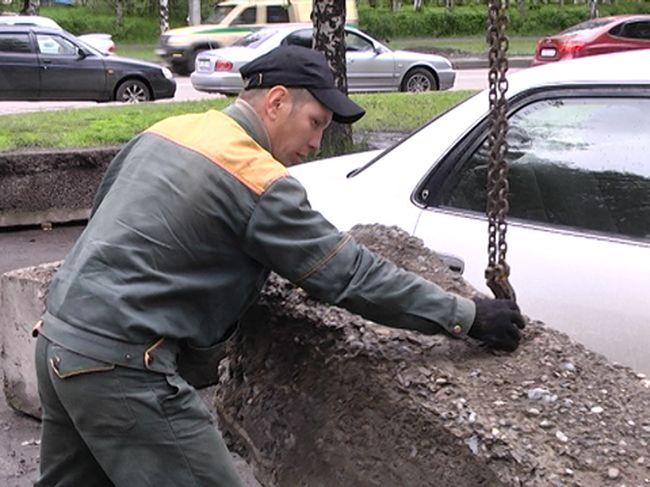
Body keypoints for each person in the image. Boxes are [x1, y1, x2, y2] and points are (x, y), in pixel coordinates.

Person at [33, 45, 525, 486]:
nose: (315, 144)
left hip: (58, 341)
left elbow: (106, 215)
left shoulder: (170, 129)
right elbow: (349, 274)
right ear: (276, 101)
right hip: (122, 368)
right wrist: (467, 315)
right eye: (315, 123)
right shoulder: (256, 177)